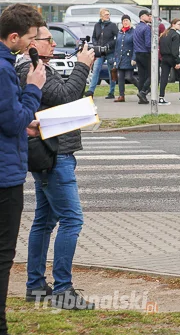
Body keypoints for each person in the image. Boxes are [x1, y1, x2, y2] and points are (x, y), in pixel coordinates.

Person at [16, 25, 96, 310]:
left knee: (44, 221)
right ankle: (63, 290)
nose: (53, 43)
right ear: (30, 44)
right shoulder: (31, 68)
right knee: (72, 220)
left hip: (54, 151)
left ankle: (35, 285)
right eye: (47, 39)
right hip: (54, 154)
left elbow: (63, 96)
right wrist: (82, 66)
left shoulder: (39, 66)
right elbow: (65, 95)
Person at [0, 4, 46, 335]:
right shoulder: (3, 70)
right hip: (4, 177)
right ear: (13, 37)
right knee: (3, 256)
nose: (32, 45)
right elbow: (12, 119)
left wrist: (22, 121)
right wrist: (33, 88)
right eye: (30, 39)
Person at [85, 8, 118, 99]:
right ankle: (91, 91)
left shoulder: (113, 26)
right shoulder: (97, 25)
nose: (108, 16)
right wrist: (96, 45)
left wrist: (109, 45)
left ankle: (111, 92)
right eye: (106, 14)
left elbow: (117, 37)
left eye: (108, 14)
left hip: (110, 51)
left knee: (111, 71)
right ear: (101, 16)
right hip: (99, 52)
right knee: (96, 70)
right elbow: (94, 37)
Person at [158, 18, 180, 106]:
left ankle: (161, 97)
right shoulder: (176, 35)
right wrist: (177, 62)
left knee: (164, 78)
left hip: (164, 58)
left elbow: (161, 47)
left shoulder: (164, 34)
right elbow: (175, 51)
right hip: (172, 58)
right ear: (173, 24)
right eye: (178, 24)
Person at [113, 15, 136, 103]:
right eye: (124, 21)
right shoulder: (120, 32)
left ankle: (143, 89)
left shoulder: (133, 32)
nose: (125, 22)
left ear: (130, 22)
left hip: (129, 58)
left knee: (129, 77)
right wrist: (115, 59)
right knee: (120, 77)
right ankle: (121, 96)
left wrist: (134, 58)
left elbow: (135, 46)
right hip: (120, 59)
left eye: (127, 20)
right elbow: (117, 47)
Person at [133, 9, 154, 104]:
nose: (149, 17)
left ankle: (141, 97)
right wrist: (152, 53)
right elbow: (148, 43)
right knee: (153, 74)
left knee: (141, 76)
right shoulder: (146, 28)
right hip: (145, 53)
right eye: (147, 15)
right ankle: (143, 92)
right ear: (142, 17)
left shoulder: (136, 27)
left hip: (138, 54)